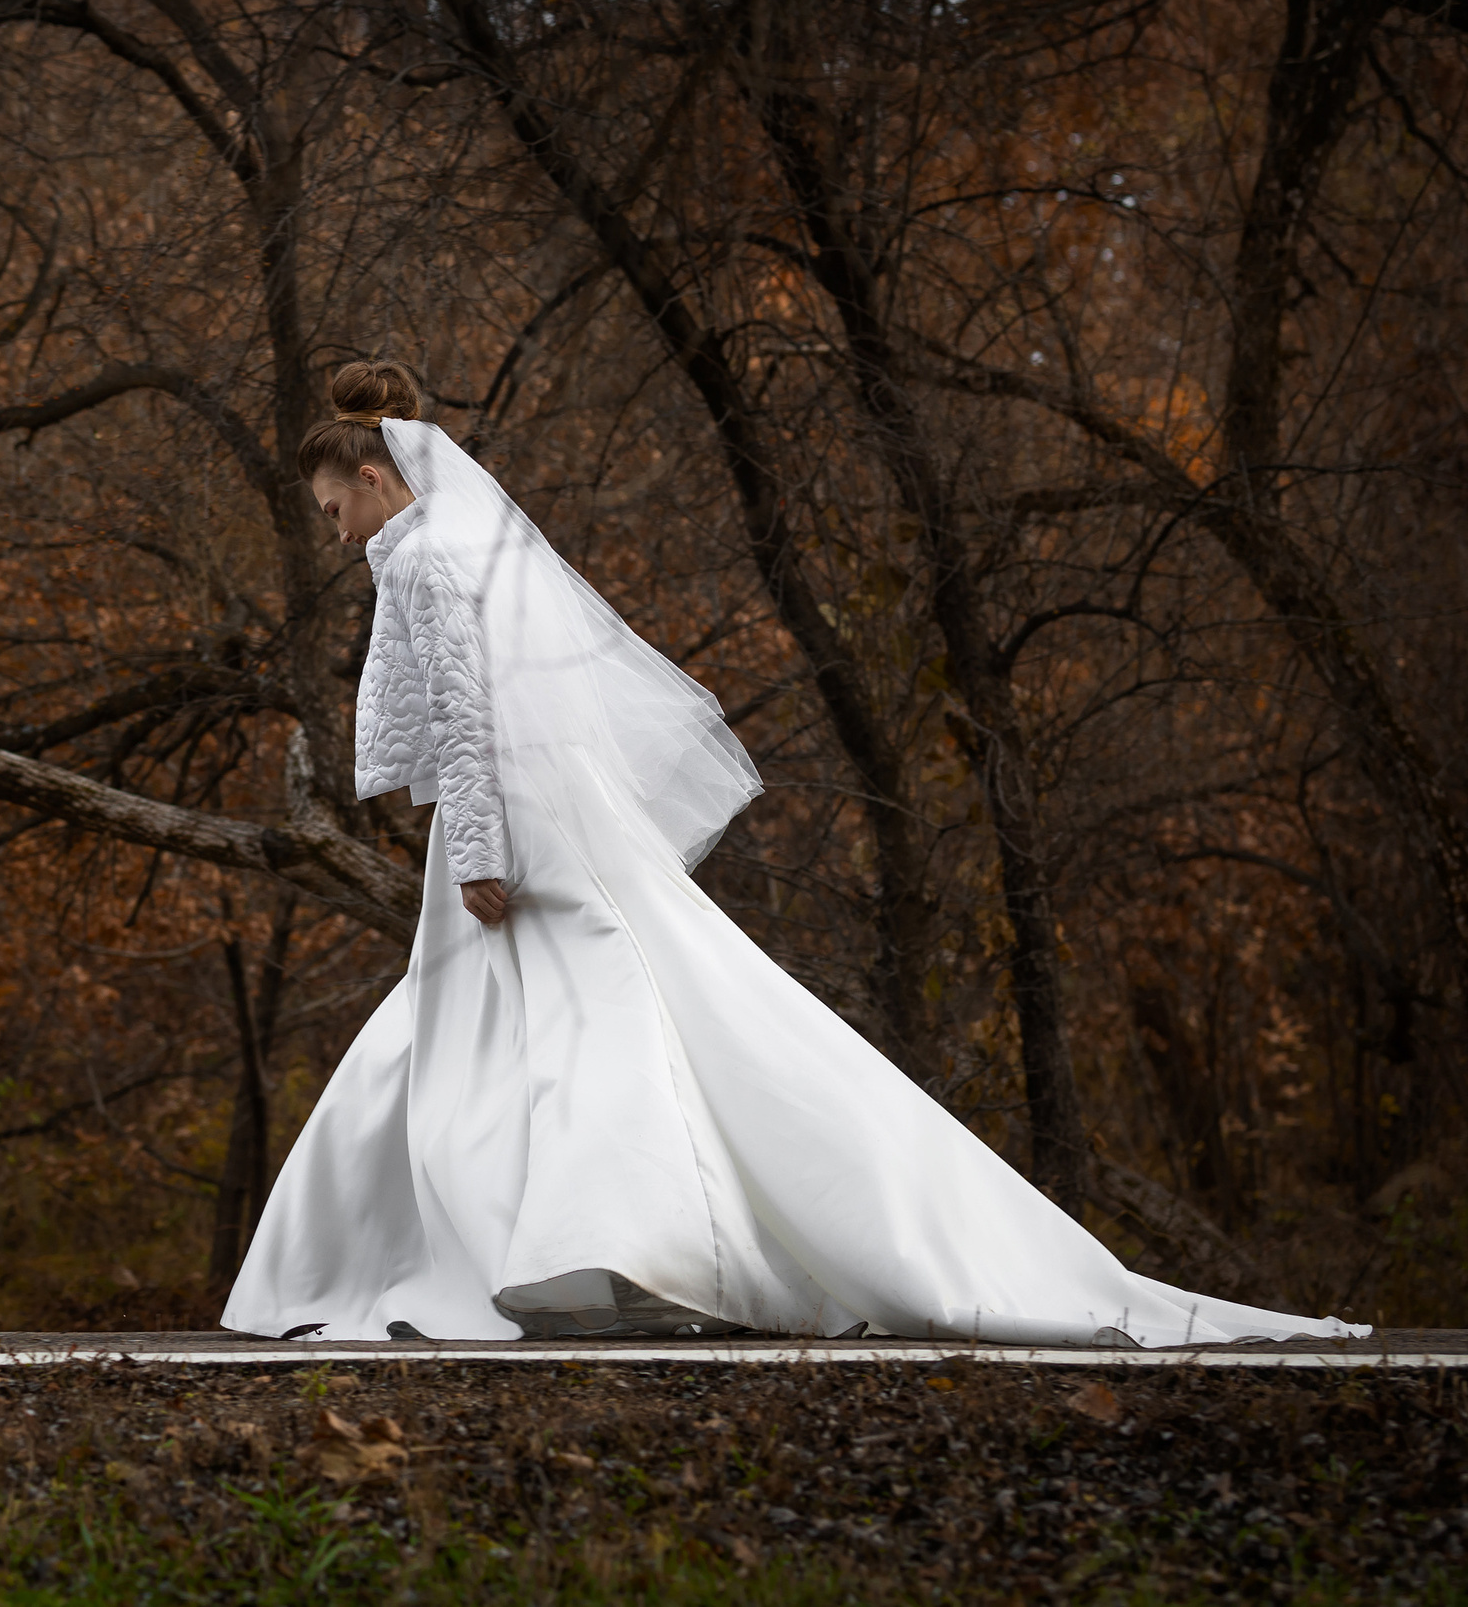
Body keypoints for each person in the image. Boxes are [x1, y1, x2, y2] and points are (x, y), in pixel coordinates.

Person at [218, 361, 1367, 1348]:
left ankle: (592, 1252)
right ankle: (584, 1253)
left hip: (511, 820)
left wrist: (471, 846)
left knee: (546, 1015)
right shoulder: (463, 539)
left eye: (332, 508)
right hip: (542, 807)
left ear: (374, 477)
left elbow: (470, 712)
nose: (336, 530)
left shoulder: (422, 554)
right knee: (523, 1017)